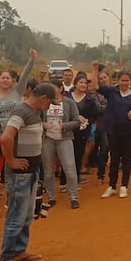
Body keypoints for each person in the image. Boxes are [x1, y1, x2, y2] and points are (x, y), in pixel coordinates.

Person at [0, 83, 58, 261]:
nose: (50, 107)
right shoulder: (21, 111)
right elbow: (6, 138)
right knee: (16, 215)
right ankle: (7, 257)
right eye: (50, 103)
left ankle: (19, 251)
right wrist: (11, 161)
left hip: (31, 171)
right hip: (19, 175)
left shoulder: (34, 112)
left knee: (27, 214)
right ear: (44, 99)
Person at [0, 49, 36, 213]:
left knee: (14, 169)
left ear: (13, 81)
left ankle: (11, 199)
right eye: (2, 78)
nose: (5, 80)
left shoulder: (17, 92)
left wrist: (31, 59)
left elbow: (26, 74)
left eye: (8, 78)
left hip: (16, 136)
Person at [90, 63, 131, 198]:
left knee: (126, 158)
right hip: (113, 130)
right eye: (122, 80)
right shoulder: (111, 91)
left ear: (130, 81)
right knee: (114, 158)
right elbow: (95, 86)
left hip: (129, 130)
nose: (124, 83)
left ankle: (124, 186)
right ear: (118, 81)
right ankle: (112, 186)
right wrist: (95, 70)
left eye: (127, 80)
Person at [40, 79, 81, 208]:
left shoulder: (69, 103)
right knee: (48, 170)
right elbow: (36, 119)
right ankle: (51, 197)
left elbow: (76, 121)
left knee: (69, 168)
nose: (50, 91)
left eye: (53, 88)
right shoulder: (44, 103)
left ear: (61, 89)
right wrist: (44, 125)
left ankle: (74, 197)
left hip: (65, 138)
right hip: (47, 139)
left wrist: (65, 125)